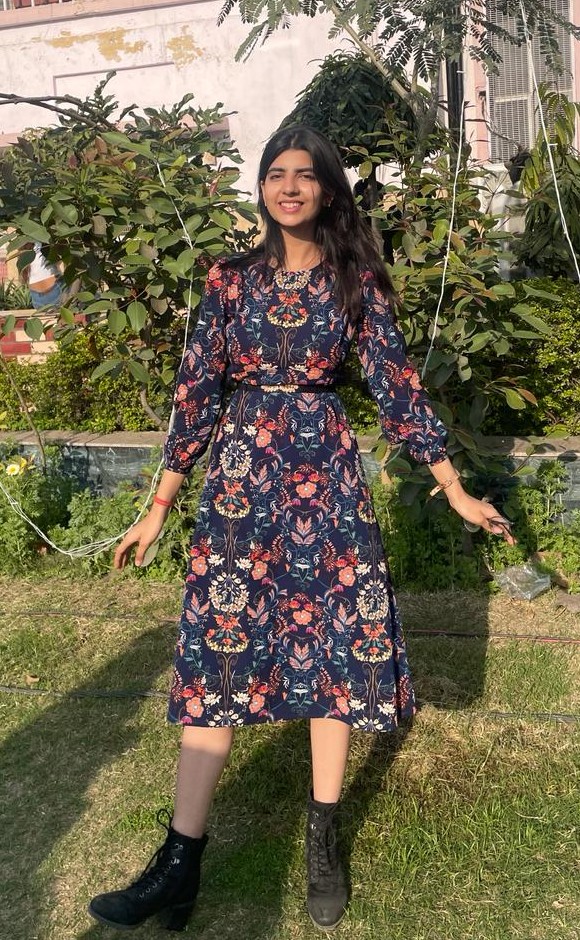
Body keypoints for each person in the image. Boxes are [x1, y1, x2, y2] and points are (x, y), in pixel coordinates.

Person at [88, 125, 514, 933]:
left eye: (305, 175)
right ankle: (179, 863)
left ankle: (322, 841)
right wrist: (158, 508)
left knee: (334, 650)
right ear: (261, 188)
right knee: (219, 652)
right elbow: (195, 394)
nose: (289, 187)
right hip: (241, 483)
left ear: (327, 190)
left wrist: (453, 488)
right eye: (276, 174)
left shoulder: (356, 280)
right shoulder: (229, 280)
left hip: (328, 479)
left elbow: (396, 386)